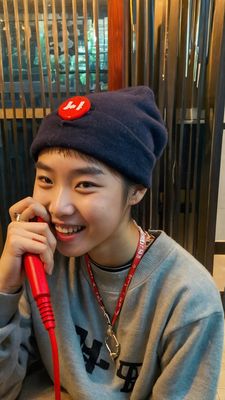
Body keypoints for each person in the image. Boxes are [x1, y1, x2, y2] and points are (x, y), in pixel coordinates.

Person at [0, 86, 223, 400]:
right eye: (46, 180)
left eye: (85, 184)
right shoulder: (43, 261)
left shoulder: (188, 298)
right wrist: (6, 289)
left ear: (136, 192)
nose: (58, 206)